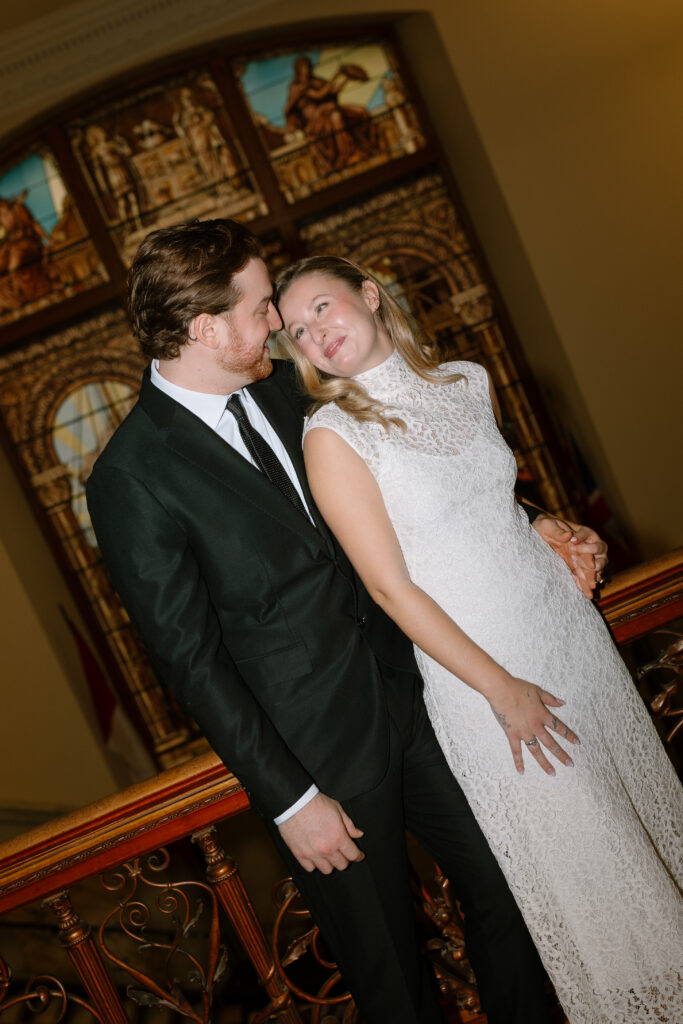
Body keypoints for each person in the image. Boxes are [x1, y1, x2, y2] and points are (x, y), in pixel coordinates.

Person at [86, 219, 605, 1024]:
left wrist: (537, 522)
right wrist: (290, 800)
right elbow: (190, 661)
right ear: (205, 328)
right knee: (393, 982)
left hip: (421, 702)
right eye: (262, 308)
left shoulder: (291, 389)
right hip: (315, 761)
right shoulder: (130, 475)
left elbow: (416, 488)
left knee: (513, 894)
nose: (278, 323)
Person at [275, 254, 683, 1024]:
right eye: (296, 330)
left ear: (370, 295)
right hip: (489, 682)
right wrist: (500, 690)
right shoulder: (331, 435)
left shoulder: (466, 380)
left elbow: (491, 506)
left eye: (322, 308)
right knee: (597, 883)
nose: (314, 334)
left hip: (567, 635)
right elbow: (389, 588)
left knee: (642, 833)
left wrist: (558, 528)